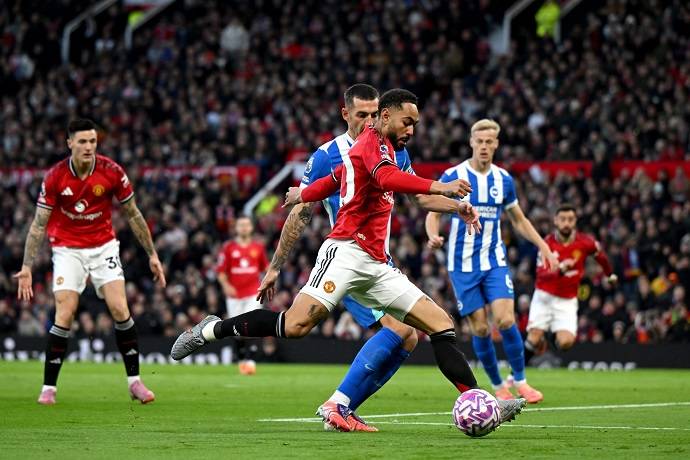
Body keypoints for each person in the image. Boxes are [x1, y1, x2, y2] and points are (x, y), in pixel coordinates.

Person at [172, 89, 526, 433]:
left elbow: (337, 179)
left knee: (439, 324)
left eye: (415, 124)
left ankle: (481, 403)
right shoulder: (369, 144)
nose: (412, 130)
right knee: (295, 326)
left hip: (377, 263)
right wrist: (440, 185)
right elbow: (382, 177)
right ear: (385, 117)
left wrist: (304, 192)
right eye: (407, 122)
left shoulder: (388, 149)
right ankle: (212, 330)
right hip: (344, 252)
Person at [258, 84, 422, 431]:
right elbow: (301, 212)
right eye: (362, 114)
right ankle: (338, 404)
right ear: (345, 114)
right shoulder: (327, 155)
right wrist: (275, 267)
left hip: (380, 260)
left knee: (409, 336)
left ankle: (343, 408)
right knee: (397, 329)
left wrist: (453, 205)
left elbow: (417, 196)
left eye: (375, 114)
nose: (370, 121)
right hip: (349, 260)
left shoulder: (395, 150)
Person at [14, 118, 166, 405]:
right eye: (82, 141)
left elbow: (133, 214)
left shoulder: (112, 171)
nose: (88, 147)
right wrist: (26, 266)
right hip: (67, 249)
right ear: (69, 143)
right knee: (65, 313)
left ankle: (134, 382)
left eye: (92, 141)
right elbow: (38, 224)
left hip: (103, 247)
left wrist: (152, 254)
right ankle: (49, 388)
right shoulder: (55, 177)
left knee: (120, 308)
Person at [425, 119, 558, 404]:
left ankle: (520, 381)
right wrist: (433, 235)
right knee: (481, 329)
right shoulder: (454, 175)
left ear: (496, 144)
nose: (484, 146)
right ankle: (498, 386)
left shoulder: (503, 180)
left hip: (494, 260)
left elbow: (518, 220)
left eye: (489, 142)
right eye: (480, 141)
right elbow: (432, 211)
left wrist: (543, 246)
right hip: (462, 265)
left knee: (506, 319)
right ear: (471, 142)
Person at [524, 203, 617, 362]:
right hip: (544, 295)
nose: (566, 223)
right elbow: (541, 274)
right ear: (555, 221)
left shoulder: (585, 242)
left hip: (567, 299)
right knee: (533, 338)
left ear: (575, 221)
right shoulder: (547, 244)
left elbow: (601, 256)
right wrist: (560, 270)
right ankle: (516, 372)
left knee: (565, 343)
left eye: (570, 219)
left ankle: (550, 336)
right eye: (563, 219)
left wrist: (610, 274)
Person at [216, 215, 269, 375]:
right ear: (236, 228)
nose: (244, 228)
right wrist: (226, 286)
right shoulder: (228, 248)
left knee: (251, 324)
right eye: (241, 225)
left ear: (251, 228)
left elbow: (265, 268)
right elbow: (221, 271)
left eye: (247, 225)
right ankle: (240, 359)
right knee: (237, 329)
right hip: (234, 295)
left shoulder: (258, 247)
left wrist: (268, 282)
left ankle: (251, 360)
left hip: (253, 293)